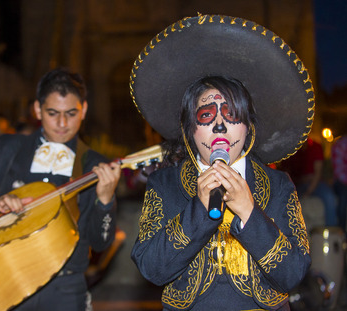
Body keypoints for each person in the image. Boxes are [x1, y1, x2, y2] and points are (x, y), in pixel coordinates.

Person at [129, 14, 313, 310]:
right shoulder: (163, 184)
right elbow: (152, 269)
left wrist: (249, 212)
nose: (218, 125)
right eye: (205, 115)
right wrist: (198, 210)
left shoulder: (279, 186)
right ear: (190, 129)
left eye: (231, 114)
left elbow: (292, 273)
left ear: (248, 126)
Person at [0, 67, 121, 310]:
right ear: (37, 110)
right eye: (53, 113)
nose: (62, 123)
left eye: (71, 113)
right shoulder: (10, 149)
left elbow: (102, 243)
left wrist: (104, 201)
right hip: (7, 282)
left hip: (65, 289)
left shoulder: (94, 164)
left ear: (83, 110)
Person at [280, 137, 338, 227]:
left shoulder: (315, 147)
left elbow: (317, 174)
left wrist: (308, 192)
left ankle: (331, 231)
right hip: (297, 184)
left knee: (329, 196)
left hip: (316, 183)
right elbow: (286, 173)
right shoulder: (290, 149)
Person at [332, 135, 347, 234]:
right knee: (344, 197)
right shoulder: (341, 145)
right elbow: (338, 170)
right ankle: (341, 232)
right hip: (342, 182)